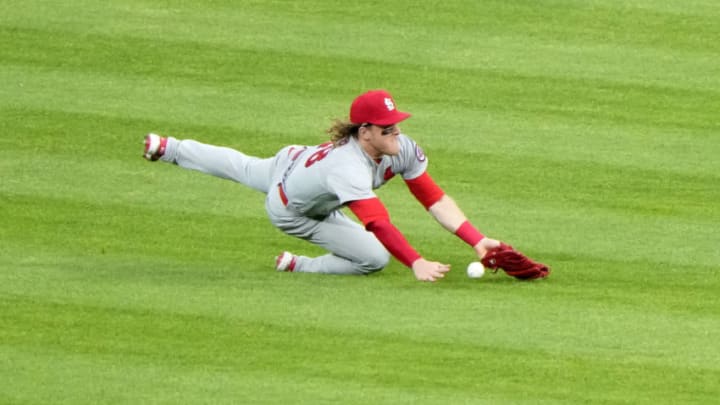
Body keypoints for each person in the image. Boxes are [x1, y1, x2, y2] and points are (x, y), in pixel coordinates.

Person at [143, 89, 504, 282]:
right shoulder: (348, 166)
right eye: (386, 128)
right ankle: (300, 265)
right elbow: (377, 223)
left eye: (396, 124)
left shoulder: (400, 147)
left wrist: (477, 239)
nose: (396, 133)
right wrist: (415, 262)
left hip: (293, 161)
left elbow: (433, 198)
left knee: (241, 165)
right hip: (293, 208)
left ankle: (169, 147)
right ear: (365, 132)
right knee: (374, 258)